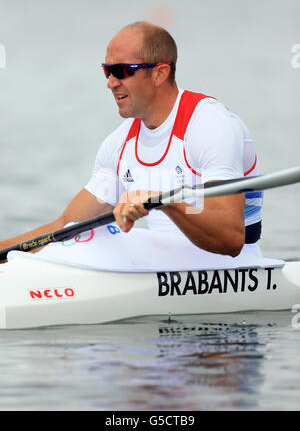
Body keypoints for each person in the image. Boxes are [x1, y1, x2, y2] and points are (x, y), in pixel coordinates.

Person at [0, 21, 262, 260]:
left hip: (230, 267)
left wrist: (165, 201)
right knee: (84, 236)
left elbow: (231, 240)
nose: (111, 83)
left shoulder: (211, 127)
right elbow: (63, 226)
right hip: (161, 263)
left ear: (160, 73)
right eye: (107, 71)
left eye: (122, 71)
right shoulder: (118, 144)